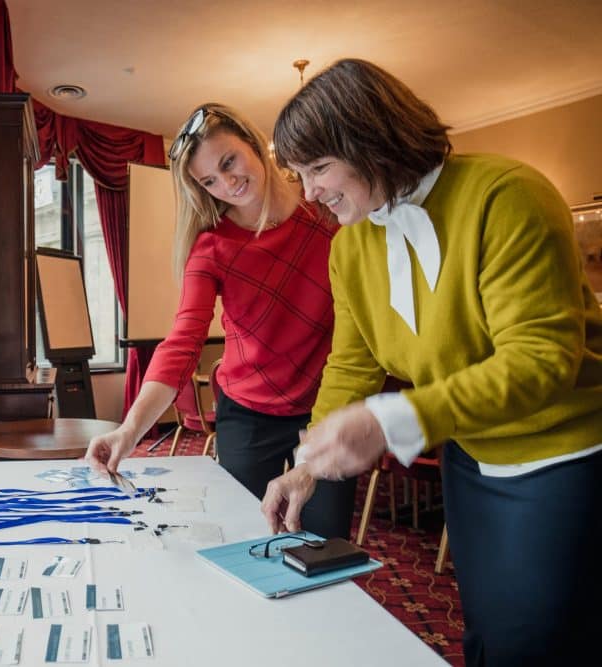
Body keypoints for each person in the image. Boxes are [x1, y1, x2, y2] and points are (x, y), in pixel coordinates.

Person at [264, 58, 602, 666]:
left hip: (565, 453)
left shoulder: (509, 194)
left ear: (370, 141)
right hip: (471, 455)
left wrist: (393, 419)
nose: (308, 192)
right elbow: (352, 364)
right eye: (299, 172)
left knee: (545, 638)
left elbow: (539, 361)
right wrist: (306, 464)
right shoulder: (349, 248)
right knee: (486, 624)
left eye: (318, 168)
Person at [85, 102, 357, 539]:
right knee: (248, 537)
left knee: (326, 544)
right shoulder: (211, 248)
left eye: (228, 161)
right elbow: (181, 343)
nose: (227, 184)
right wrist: (131, 429)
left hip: (327, 404)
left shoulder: (328, 217)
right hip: (248, 412)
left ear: (254, 142)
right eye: (209, 180)